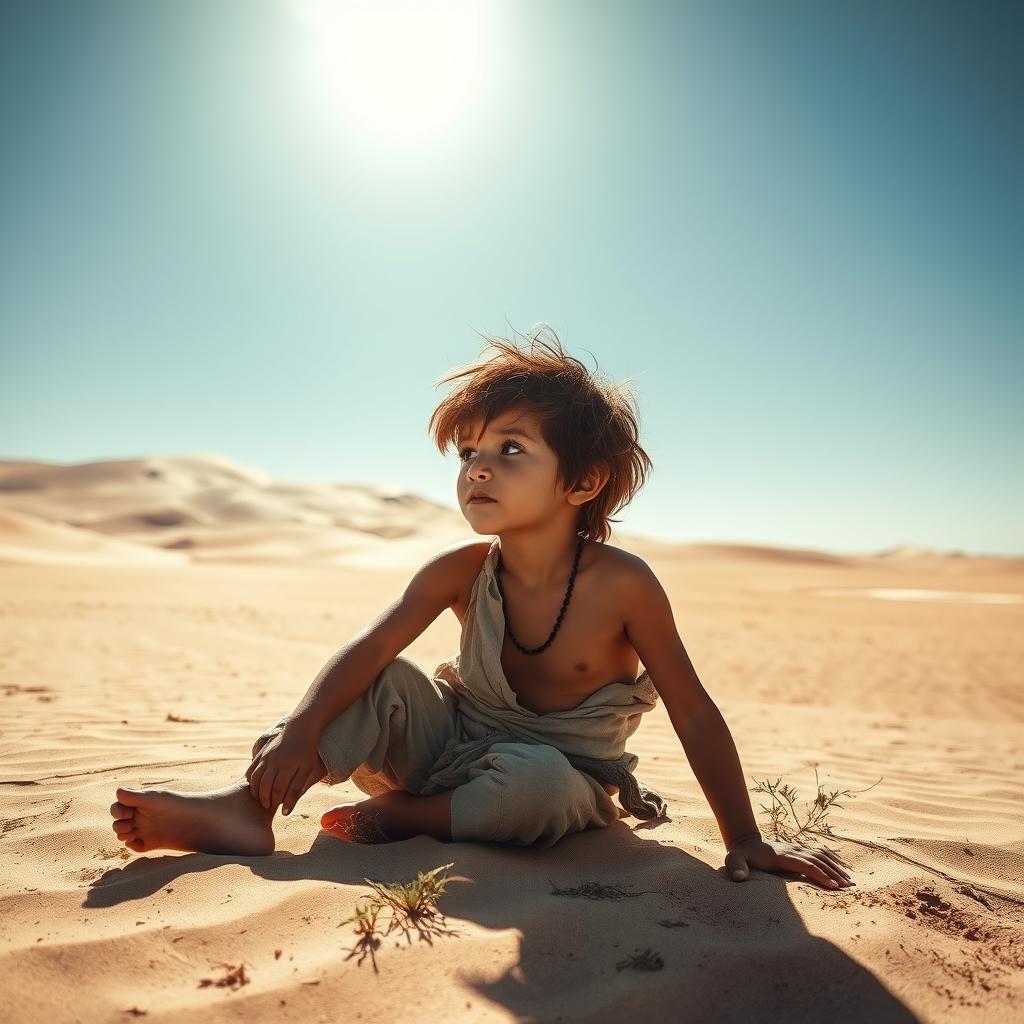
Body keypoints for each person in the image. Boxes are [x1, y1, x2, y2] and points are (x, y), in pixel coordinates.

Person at [110, 324, 854, 890]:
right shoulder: (459, 572)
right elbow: (370, 652)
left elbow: (693, 710)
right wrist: (303, 731)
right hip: (446, 751)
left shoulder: (625, 585)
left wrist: (745, 838)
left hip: (545, 784)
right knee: (383, 682)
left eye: (510, 450)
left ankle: (400, 819)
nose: (478, 470)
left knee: (540, 787)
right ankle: (247, 806)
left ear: (583, 483)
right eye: (467, 454)